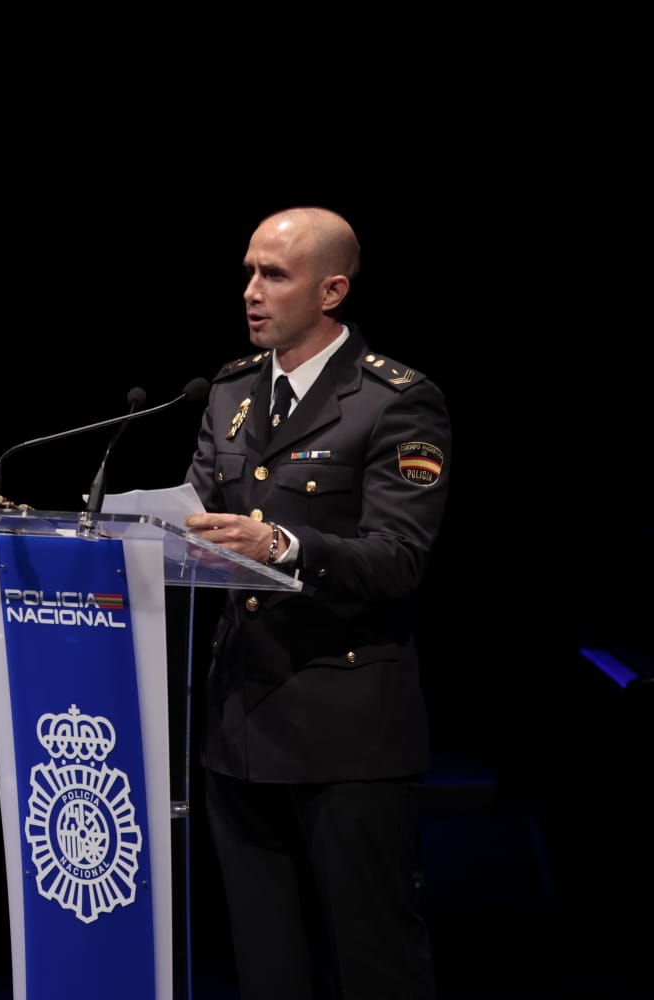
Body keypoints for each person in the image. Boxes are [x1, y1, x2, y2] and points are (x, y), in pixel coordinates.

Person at [181, 206, 449, 998]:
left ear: (331, 291)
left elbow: (398, 561)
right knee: (268, 968)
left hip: (348, 728)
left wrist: (285, 547)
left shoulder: (394, 400)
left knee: (376, 965)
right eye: (248, 272)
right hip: (239, 728)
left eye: (274, 275)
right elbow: (193, 515)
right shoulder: (228, 391)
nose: (251, 292)